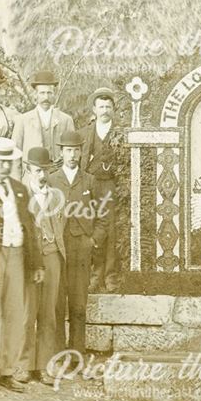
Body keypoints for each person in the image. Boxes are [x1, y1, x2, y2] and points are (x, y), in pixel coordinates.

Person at [0, 137, 44, 390]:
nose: (5, 166)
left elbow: (29, 226)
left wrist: (37, 263)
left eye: (9, 162)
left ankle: (7, 369)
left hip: (17, 253)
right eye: (1, 162)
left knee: (15, 312)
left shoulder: (19, 188)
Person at [49, 130, 107, 356]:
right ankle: (56, 354)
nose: (72, 155)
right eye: (68, 150)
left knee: (79, 306)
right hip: (57, 248)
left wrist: (93, 241)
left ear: (82, 152)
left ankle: (76, 355)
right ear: (61, 152)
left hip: (81, 248)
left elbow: (103, 215)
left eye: (76, 150)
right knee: (56, 304)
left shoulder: (90, 180)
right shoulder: (52, 179)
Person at [21, 147, 67, 385]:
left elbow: (61, 226)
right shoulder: (21, 193)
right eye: (38, 170)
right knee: (28, 313)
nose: (42, 175)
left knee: (48, 313)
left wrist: (57, 251)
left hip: (52, 257)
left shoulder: (56, 195)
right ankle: (25, 366)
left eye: (46, 170)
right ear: (28, 169)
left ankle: (44, 366)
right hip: (30, 259)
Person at [80, 87, 120, 291]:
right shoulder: (85, 132)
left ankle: (110, 276)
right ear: (94, 109)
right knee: (92, 227)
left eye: (108, 106)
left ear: (113, 109)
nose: (104, 110)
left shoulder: (120, 132)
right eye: (101, 106)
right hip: (90, 184)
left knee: (110, 230)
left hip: (111, 185)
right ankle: (95, 275)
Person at [11, 70, 75, 174]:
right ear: (35, 94)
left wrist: (64, 160)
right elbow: (15, 153)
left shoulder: (66, 120)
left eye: (49, 93)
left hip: (58, 177)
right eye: (42, 93)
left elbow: (72, 151)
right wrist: (17, 181)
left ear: (54, 94)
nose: (46, 97)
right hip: (31, 177)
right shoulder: (23, 120)